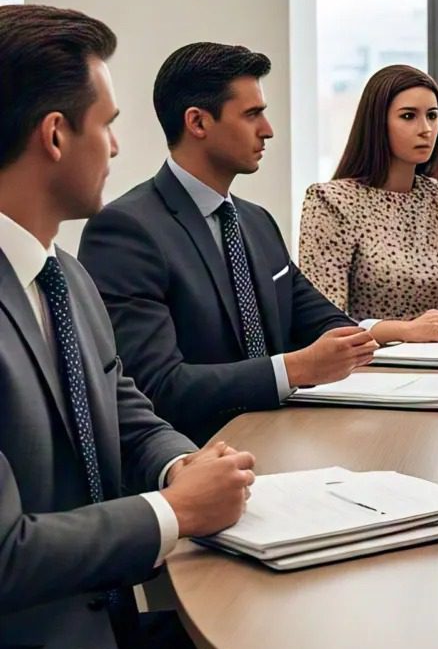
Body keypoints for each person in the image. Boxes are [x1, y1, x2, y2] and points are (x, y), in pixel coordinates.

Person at [0, 4, 396, 649]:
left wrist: (182, 468)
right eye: (105, 125)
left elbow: (128, 407)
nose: (117, 144)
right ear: (54, 136)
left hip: (97, 627)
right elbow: (6, 555)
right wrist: (176, 515)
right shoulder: (89, 254)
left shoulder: (59, 276)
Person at [79, 43, 377, 445]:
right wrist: (295, 369)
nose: (268, 129)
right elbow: (156, 387)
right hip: (198, 460)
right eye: (252, 114)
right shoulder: (126, 230)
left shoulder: (256, 221)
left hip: (281, 439)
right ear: (198, 122)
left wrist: (363, 341)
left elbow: (324, 322)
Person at [298, 64, 438, 341]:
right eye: (409, 116)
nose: (426, 129)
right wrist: (408, 331)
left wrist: (437, 326)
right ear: (377, 123)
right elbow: (325, 320)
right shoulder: (331, 201)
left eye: (432, 116)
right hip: (365, 367)